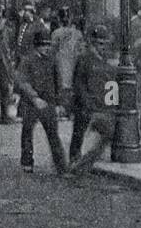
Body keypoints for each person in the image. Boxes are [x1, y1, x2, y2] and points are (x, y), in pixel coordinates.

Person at [14, 28, 69, 175]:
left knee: (53, 134)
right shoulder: (27, 60)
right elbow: (22, 81)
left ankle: (61, 166)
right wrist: (33, 97)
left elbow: (58, 82)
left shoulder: (52, 59)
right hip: (31, 103)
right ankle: (27, 162)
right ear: (36, 45)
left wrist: (60, 103)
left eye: (47, 45)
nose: (46, 48)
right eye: (43, 45)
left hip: (48, 102)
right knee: (27, 132)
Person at [69, 25, 116, 171]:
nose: (102, 47)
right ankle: (74, 161)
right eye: (99, 43)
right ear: (92, 42)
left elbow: (111, 82)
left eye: (104, 44)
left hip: (102, 105)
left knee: (107, 134)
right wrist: (86, 103)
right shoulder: (84, 59)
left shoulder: (106, 60)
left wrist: (112, 103)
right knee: (79, 133)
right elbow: (78, 84)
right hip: (86, 105)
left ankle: (85, 163)